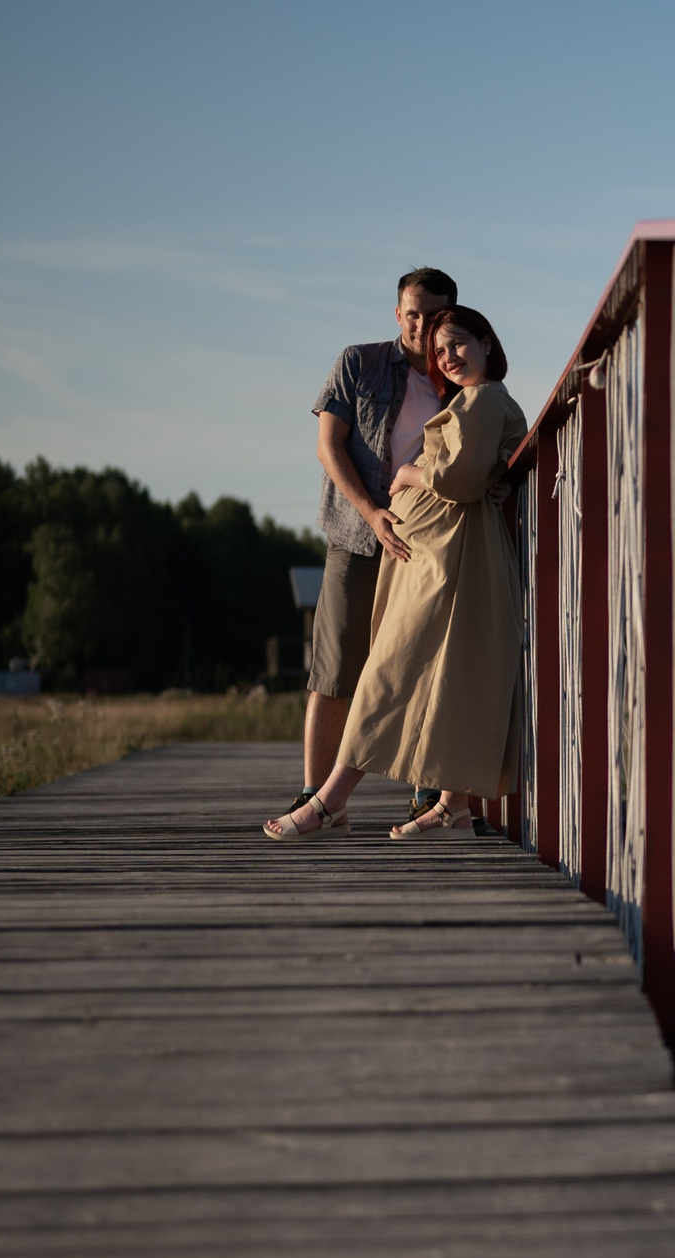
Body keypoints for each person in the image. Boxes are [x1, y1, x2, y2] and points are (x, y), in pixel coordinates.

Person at [266, 307, 526, 842]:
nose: (449, 357)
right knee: (450, 676)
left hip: (447, 562)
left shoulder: (482, 399)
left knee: (387, 673)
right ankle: (452, 808)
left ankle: (328, 800)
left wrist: (406, 472)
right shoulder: (475, 401)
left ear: (485, 342)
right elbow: (490, 468)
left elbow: (457, 480)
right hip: (441, 557)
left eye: (458, 344)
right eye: (440, 351)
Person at [293, 267, 458, 829]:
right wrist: (372, 513)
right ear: (396, 313)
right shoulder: (358, 363)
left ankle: (428, 797)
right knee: (336, 671)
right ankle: (316, 797)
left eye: (433, 315)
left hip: (426, 546)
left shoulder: (460, 375)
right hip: (358, 537)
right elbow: (327, 446)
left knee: (421, 668)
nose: (420, 325)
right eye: (411, 313)